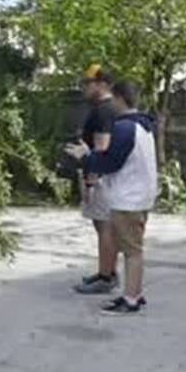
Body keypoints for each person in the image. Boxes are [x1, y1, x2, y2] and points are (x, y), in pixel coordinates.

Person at [66, 81, 158, 315]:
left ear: (119, 98)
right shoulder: (144, 125)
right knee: (132, 249)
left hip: (129, 198)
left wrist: (85, 157)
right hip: (138, 195)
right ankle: (133, 293)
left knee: (132, 251)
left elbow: (110, 163)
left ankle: (131, 300)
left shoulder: (125, 128)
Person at [72, 65, 118, 294]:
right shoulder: (106, 109)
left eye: (88, 83)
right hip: (104, 177)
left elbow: (101, 149)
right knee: (103, 227)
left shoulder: (103, 111)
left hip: (102, 180)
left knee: (105, 227)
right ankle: (107, 272)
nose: (84, 88)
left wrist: (90, 182)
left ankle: (106, 277)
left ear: (102, 84)